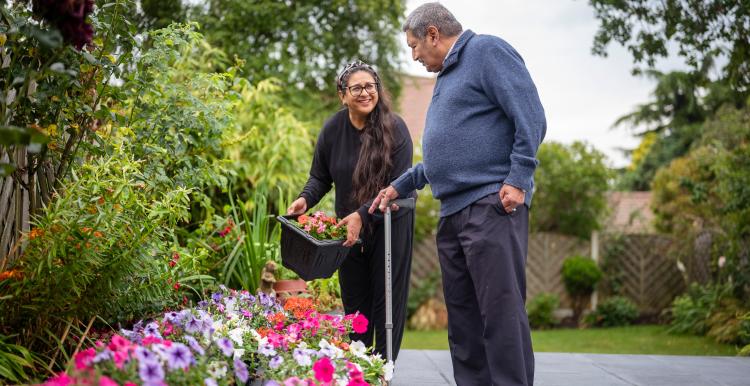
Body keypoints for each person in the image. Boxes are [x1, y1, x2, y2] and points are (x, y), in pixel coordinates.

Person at [370, 3, 546, 385]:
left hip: (490, 205)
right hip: (453, 212)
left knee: (500, 314)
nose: (414, 55)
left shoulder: (486, 51)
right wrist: (401, 184)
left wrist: (518, 177)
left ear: (433, 34)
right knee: (463, 321)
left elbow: (530, 114)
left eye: (415, 46)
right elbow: (444, 157)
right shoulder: (447, 76)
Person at [287, 60, 415, 360]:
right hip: (349, 231)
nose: (365, 93)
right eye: (356, 88)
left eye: (370, 86)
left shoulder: (396, 129)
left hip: (390, 226)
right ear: (342, 95)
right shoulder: (333, 129)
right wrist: (305, 199)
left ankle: (384, 371)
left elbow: (397, 184)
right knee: (356, 307)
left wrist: (361, 214)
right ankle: (358, 371)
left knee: (387, 306)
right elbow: (320, 177)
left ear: (378, 90)